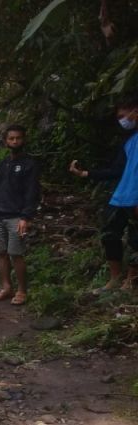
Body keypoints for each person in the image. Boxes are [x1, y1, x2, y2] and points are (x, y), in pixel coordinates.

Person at [69, 96, 138, 291]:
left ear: (135, 111)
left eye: (123, 116)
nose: (122, 120)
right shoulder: (130, 141)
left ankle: (130, 281)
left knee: (136, 240)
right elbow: (117, 170)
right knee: (109, 235)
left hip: (135, 198)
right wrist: (86, 173)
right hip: (121, 197)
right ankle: (115, 278)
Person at [0, 125, 40, 306]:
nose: (15, 141)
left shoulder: (29, 164)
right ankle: (6, 287)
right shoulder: (2, 165)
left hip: (16, 216)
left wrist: (25, 217)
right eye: (11, 138)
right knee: (1, 253)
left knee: (16, 253)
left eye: (18, 138)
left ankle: (22, 291)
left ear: (23, 140)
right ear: (5, 141)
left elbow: (32, 192)